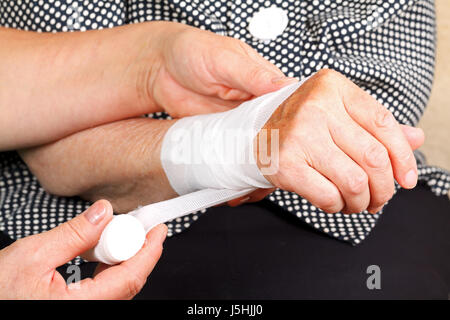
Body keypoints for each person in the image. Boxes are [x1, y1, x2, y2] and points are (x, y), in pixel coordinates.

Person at [0, 0, 449, 299]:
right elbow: (46, 136)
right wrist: (246, 143)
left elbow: (378, 126)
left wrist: (157, 67)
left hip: (355, 230)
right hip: (67, 219)